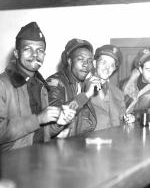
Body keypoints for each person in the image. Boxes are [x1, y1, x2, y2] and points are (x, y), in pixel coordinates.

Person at [0, 22, 73, 152]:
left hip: (39, 159)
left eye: (40, 50)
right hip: (10, 164)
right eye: (28, 49)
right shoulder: (2, 84)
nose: (35, 55)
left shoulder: (41, 86)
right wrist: (38, 119)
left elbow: (40, 133)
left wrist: (58, 123)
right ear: (17, 53)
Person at [47, 38, 101, 138]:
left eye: (89, 61)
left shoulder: (82, 83)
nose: (86, 65)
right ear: (69, 61)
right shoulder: (55, 83)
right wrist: (86, 95)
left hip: (76, 146)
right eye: (80, 59)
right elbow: (54, 120)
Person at [90, 44, 126, 130]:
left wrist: (128, 120)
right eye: (103, 62)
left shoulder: (119, 94)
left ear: (114, 69)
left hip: (116, 141)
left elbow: (122, 120)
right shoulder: (80, 88)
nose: (107, 68)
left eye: (112, 65)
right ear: (95, 63)